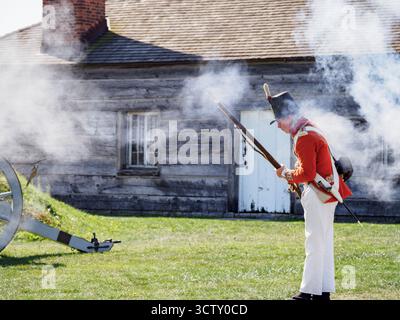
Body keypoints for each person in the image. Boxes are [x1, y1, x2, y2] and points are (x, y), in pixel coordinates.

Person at [263, 84, 352, 301]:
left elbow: (307, 173)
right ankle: (322, 292)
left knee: (314, 242)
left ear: (288, 116)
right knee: (323, 242)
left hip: (319, 195)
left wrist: (286, 173)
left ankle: (307, 292)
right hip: (327, 194)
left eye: (279, 121)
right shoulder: (311, 128)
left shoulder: (303, 137)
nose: (278, 127)